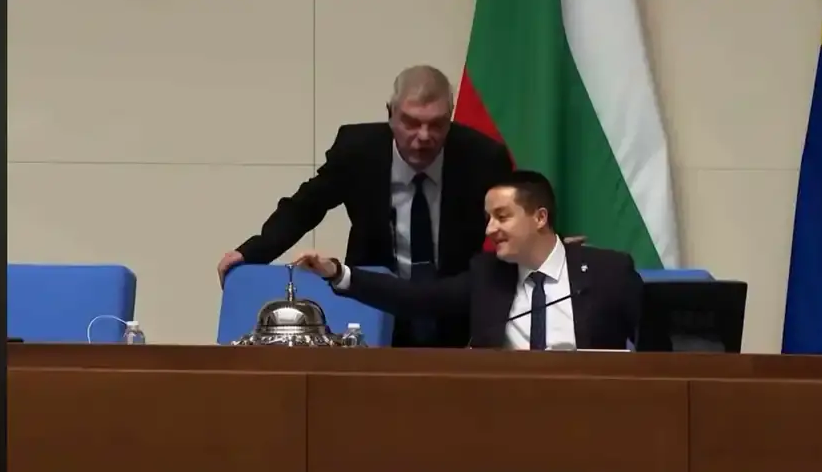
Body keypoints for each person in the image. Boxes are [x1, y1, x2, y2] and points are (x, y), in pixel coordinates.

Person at [218, 65, 513, 348]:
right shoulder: (358, 150)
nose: (423, 137)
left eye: (436, 124)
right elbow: (305, 206)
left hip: (455, 309)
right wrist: (250, 253)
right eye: (411, 123)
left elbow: (514, 222)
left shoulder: (483, 158)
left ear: (450, 118)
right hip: (372, 302)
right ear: (390, 114)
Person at [293, 170, 643, 350]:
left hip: (592, 412)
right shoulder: (488, 274)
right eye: (488, 218)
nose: (490, 229)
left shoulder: (608, 272)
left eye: (502, 217)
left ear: (540, 217)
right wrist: (338, 273)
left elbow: (657, 346)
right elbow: (417, 299)